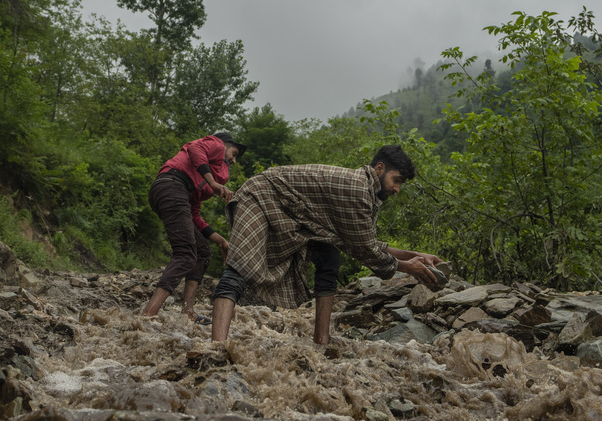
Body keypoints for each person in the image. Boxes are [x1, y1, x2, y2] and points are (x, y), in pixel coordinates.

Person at [210, 145, 442, 344]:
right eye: (397, 180)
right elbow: (366, 251)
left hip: (296, 215)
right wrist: (408, 267)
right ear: (379, 169)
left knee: (330, 259)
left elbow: (366, 242)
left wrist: (416, 255)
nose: (397, 189)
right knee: (239, 268)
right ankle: (216, 347)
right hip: (259, 196)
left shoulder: (367, 193)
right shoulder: (358, 189)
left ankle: (321, 341)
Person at [141, 132, 246, 323]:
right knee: (186, 254)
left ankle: (188, 311)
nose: (233, 160)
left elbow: (194, 215)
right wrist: (213, 182)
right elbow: (194, 148)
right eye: (234, 153)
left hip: (170, 192)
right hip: (171, 186)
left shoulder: (199, 183)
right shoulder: (215, 144)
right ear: (225, 145)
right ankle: (148, 314)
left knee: (202, 252)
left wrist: (220, 239)